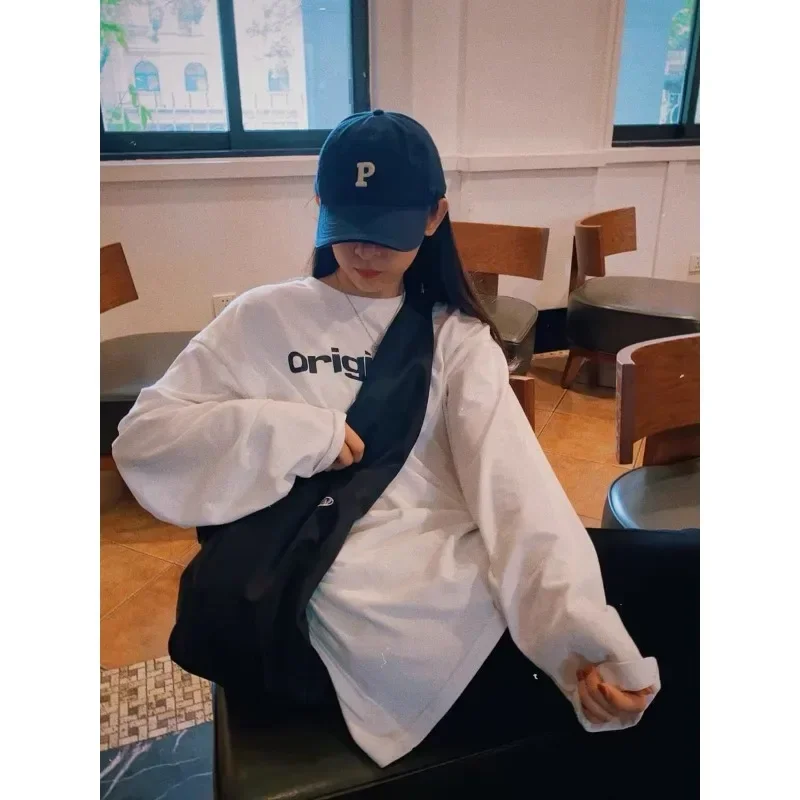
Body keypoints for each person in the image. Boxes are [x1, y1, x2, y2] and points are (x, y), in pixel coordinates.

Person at [112, 110, 682, 769]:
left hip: (437, 588)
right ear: (320, 204)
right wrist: (295, 430)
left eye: (387, 232)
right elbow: (145, 440)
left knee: (676, 570)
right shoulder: (260, 318)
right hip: (320, 603)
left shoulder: (456, 340)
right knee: (673, 594)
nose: (366, 252)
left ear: (435, 216)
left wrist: (579, 638)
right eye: (350, 227)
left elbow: (517, 495)